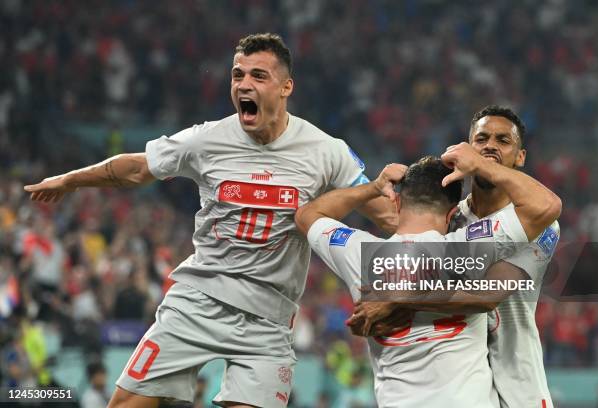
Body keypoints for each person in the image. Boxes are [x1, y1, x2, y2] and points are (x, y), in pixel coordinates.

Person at [23, 33, 395, 408]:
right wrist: (71, 179)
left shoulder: (325, 151)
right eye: (238, 75)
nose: (244, 84)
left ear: (286, 87)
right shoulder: (206, 139)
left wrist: (452, 232)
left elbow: (387, 214)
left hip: (268, 321)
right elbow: (136, 168)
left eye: (258, 76)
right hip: (199, 300)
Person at [294, 148, 562, 407]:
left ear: (396, 203)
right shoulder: (468, 246)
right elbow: (546, 205)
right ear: (453, 214)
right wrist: (483, 165)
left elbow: (307, 215)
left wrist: (374, 188)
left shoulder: (360, 253)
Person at [352, 106, 560, 407]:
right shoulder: (448, 219)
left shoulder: (537, 224)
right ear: (468, 145)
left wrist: (397, 297)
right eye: (481, 139)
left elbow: (486, 297)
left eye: (503, 141)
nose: (490, 145)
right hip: (458, 387)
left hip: (517, 383)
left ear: (520, 157)